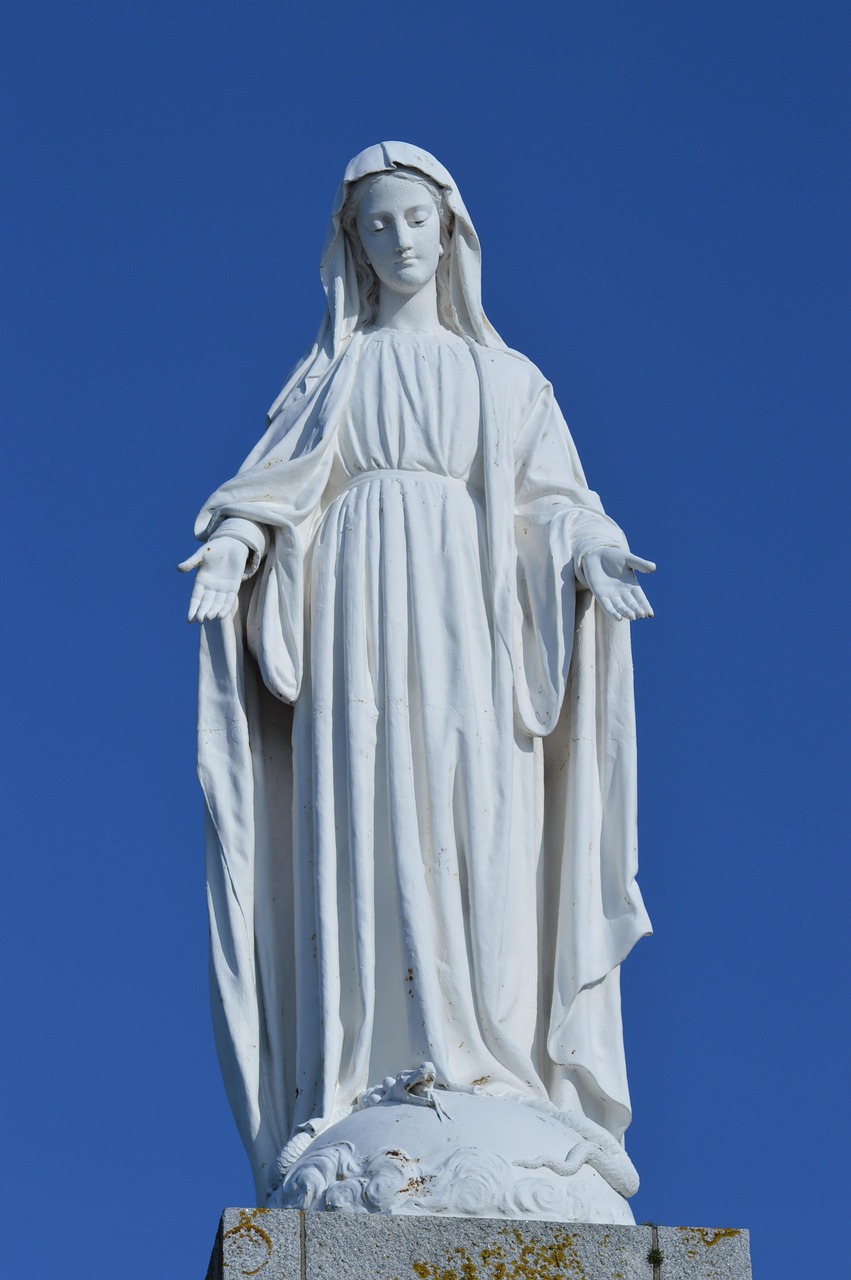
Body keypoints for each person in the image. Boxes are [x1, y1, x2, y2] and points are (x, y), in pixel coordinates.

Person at [180, 142, 654, 1202]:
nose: (399, 240)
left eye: (416, 220)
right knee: (369, 810)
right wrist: (233, 547)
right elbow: (274, 489)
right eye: (377, 224)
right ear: (351, 246)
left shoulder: (507, 379)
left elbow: (553, 499)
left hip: (475, 616)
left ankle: (500, 1063)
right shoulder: (333, 375)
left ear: (451, 233)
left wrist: (588, 551)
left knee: (478, 810)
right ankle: (361, 1071)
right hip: (355, 614)